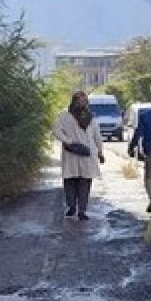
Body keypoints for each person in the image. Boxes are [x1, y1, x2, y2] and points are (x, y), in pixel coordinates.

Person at [53, 91, 106, 220]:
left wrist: (100, 151)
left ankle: (81, 210)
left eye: (84, 100)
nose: (82, 103)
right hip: (71, 153)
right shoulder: (64, 116)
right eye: (80, 100)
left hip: (87, 153)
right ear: (74, 101)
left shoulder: (91, 118)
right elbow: (56, 130)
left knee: (85, 182)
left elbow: (97, 136)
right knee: (70, 181)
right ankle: (71, 207)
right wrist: (68, 141)